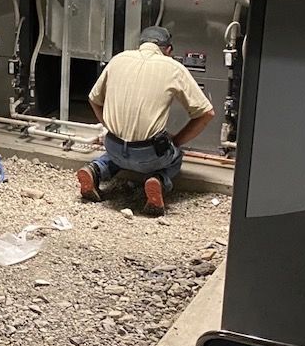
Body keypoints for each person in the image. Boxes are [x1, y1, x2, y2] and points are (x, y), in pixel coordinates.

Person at [76, 26, 215, 216]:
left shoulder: (119, 59)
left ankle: (94, 171)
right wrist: (176, 141)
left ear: (140, 45)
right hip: (149, 154)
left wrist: (110, 126)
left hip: (114, 145)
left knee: (117, 154)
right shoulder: (173, 67)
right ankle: (159, 180)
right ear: (168, 50)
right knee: (175, 155)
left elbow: (93, 99)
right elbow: (207, 113)